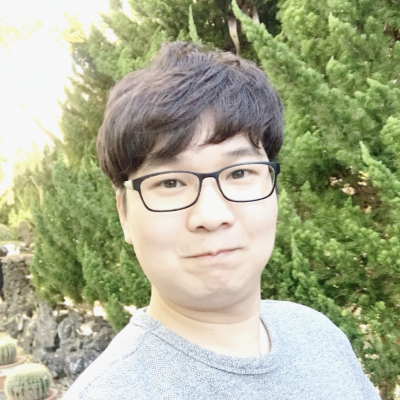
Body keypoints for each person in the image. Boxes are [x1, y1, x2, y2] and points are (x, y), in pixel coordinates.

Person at [62, 42, 380, 399]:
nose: (212, 216)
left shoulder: (319, 337)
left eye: (239, 173)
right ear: (124, 213)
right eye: (170, 182)